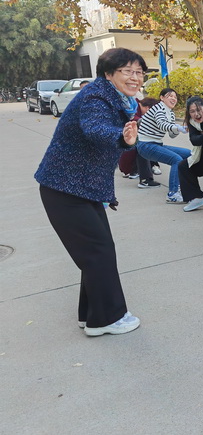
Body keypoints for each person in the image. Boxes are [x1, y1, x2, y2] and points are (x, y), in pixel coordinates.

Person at [34, 47, 143, 337]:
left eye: (139, 72)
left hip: (82, 189)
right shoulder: (96, 97)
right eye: (128, 71)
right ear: (108, 74)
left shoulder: (119, 99)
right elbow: (95, 128)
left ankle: (91, 315)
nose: (135, 77)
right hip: (64, 189)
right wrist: (121, 137)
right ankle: (107, 319)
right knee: (98, 252)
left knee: (96, 252)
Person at [136, 88, 191, 203]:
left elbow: (172, 135)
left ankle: (185, 186)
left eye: (175, 97)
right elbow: (162, 125)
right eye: (170, 96)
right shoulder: (158, 108)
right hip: (146, 145)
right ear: (162, 98)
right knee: (176, 159)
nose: (173, 99)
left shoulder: (170, 113)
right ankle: (173, 194)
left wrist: (179, 129)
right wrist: (178, 127)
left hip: (156, 144)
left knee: (188, 154)